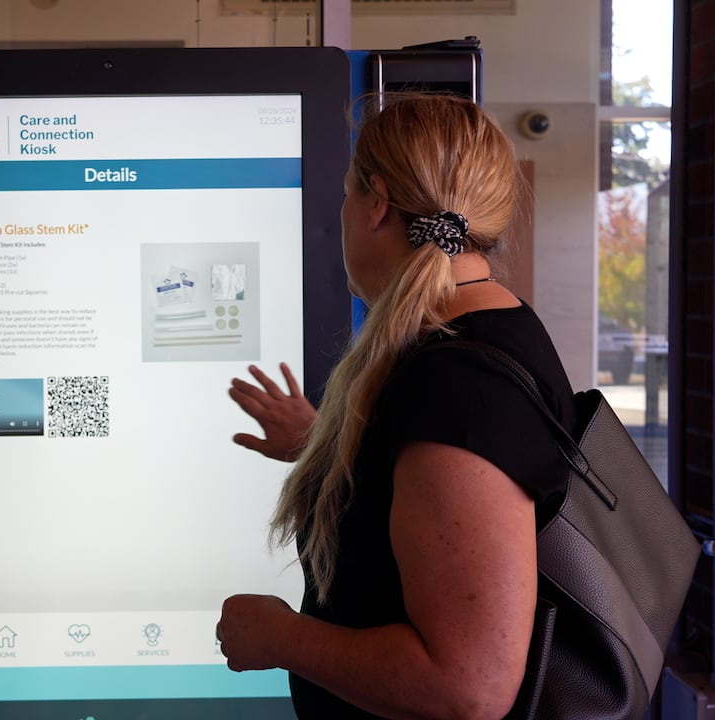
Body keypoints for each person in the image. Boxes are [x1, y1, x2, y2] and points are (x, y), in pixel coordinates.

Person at [215, 93, 577, 720]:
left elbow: (467, 688)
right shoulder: (485, 329)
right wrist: (324, 443)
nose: (343, 213)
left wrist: (278, 636)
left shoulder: (459, 385)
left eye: (347, 195)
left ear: (376, 202)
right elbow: (435, 488)